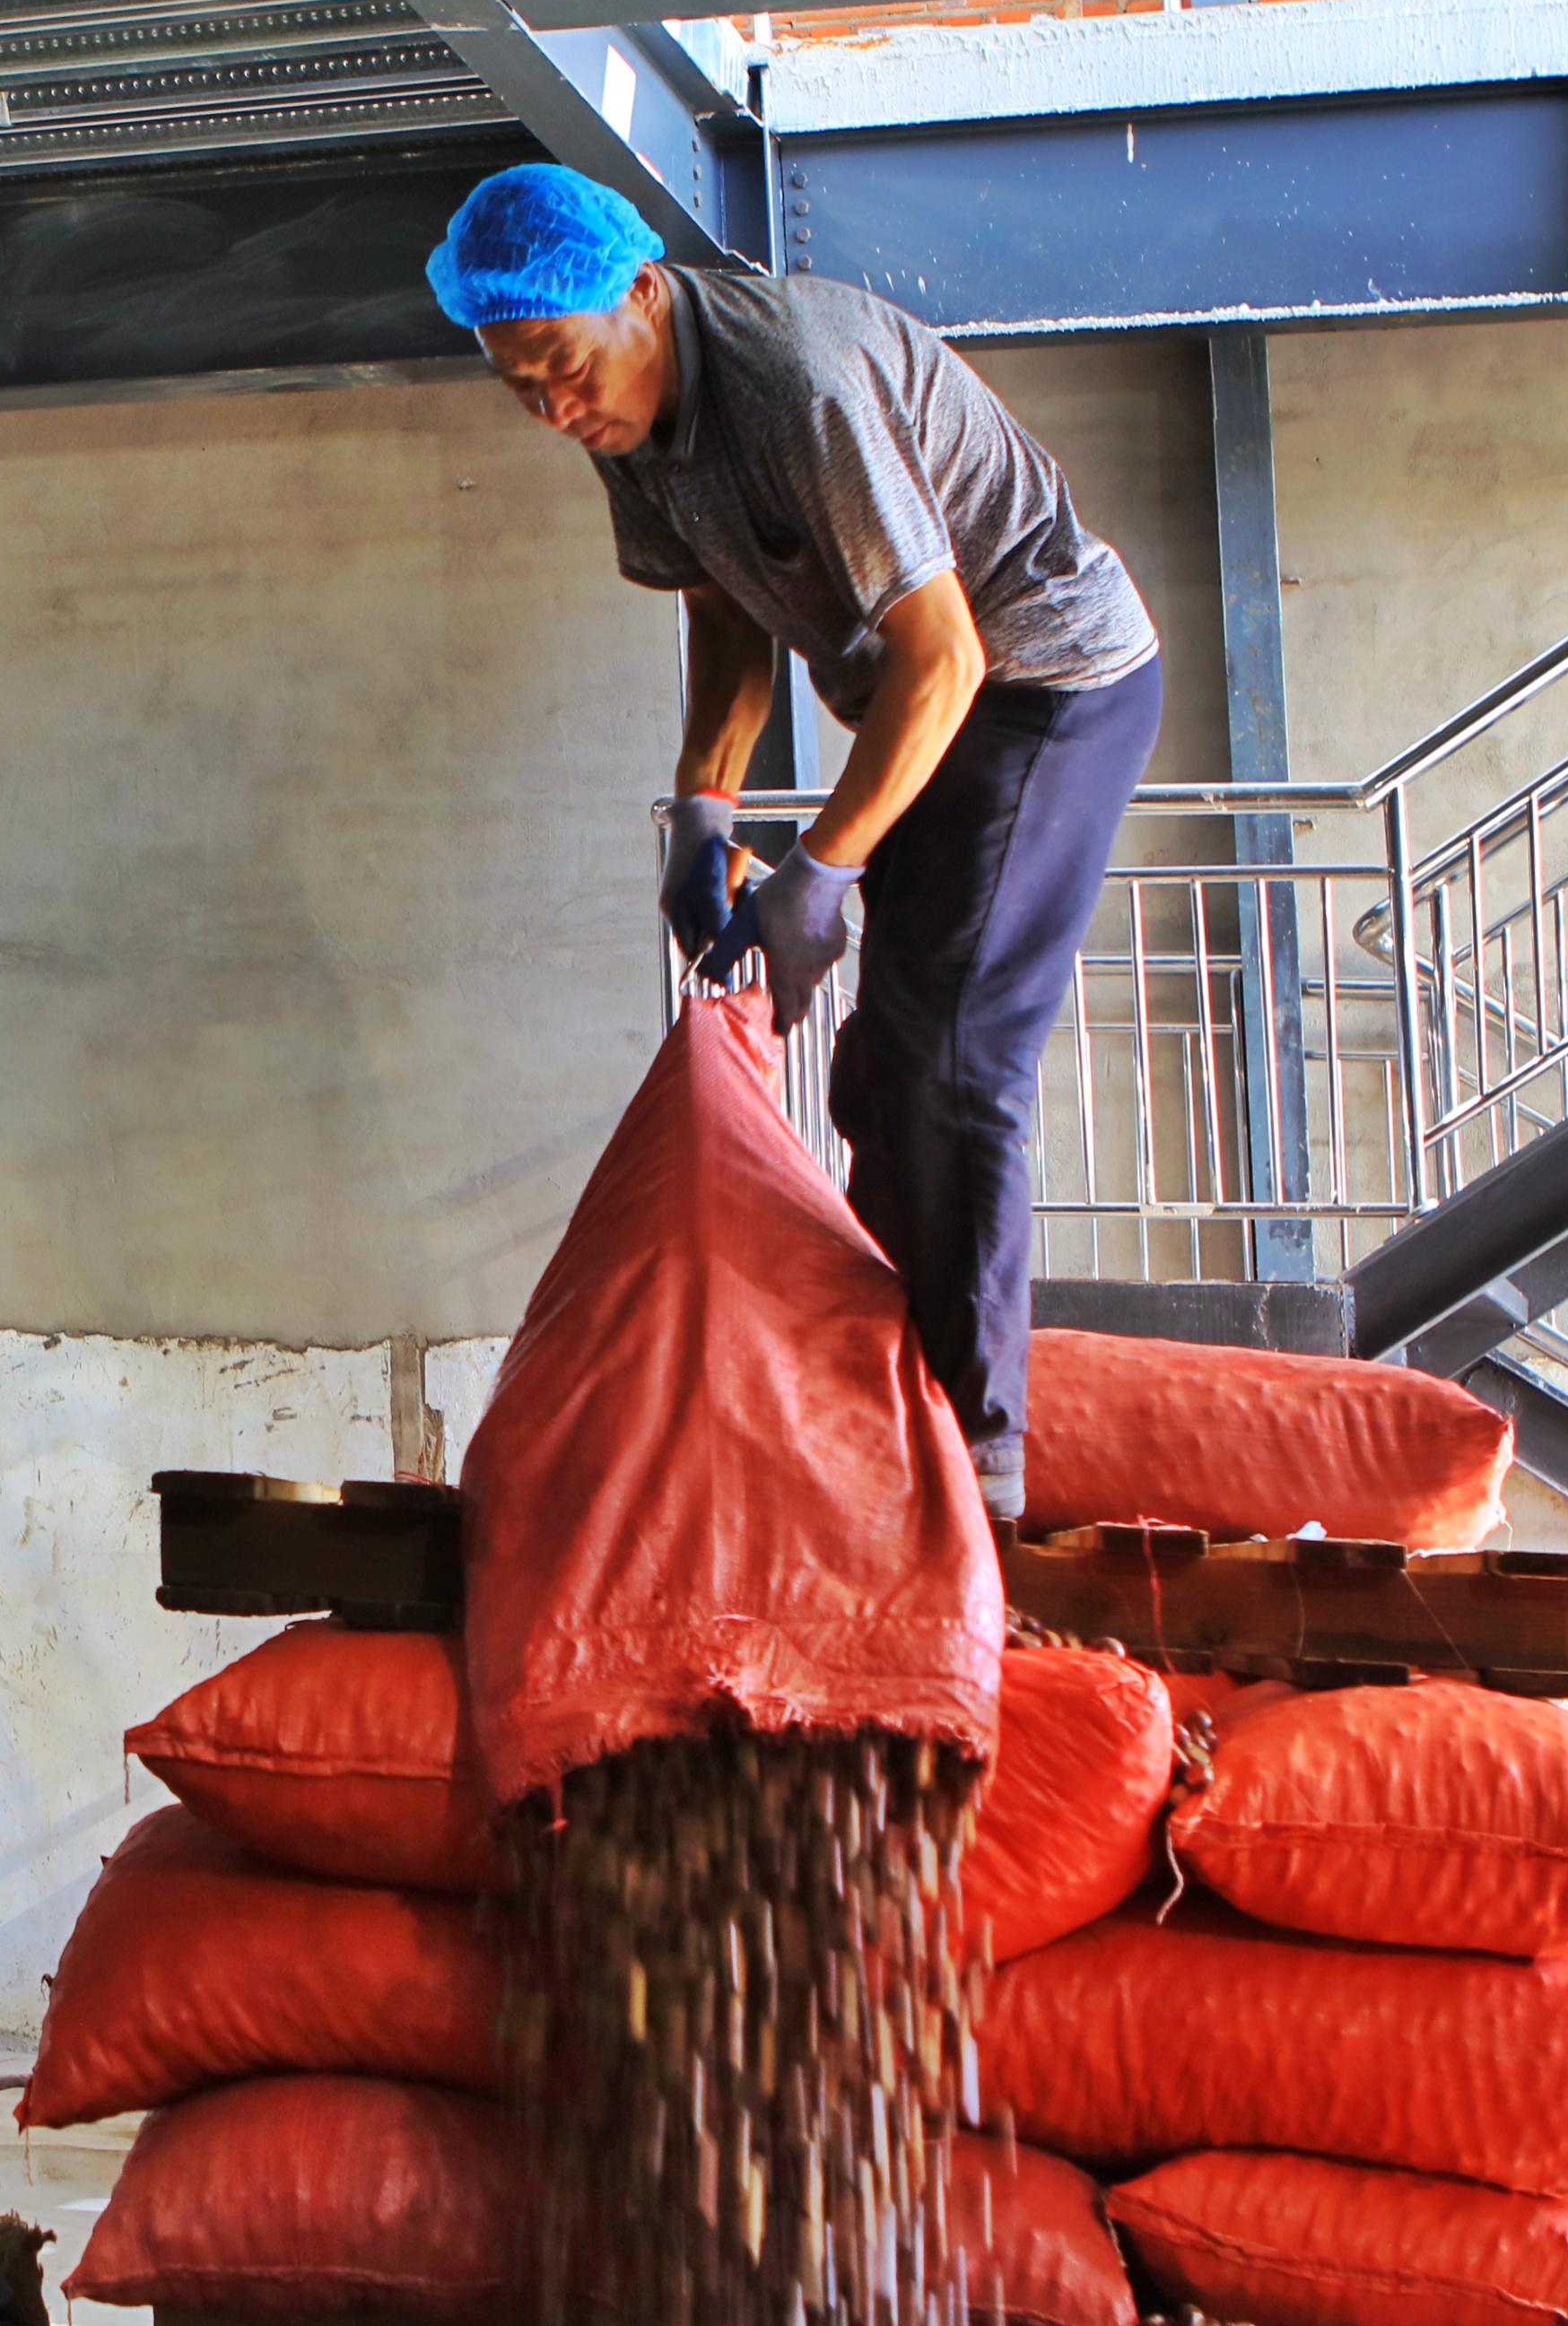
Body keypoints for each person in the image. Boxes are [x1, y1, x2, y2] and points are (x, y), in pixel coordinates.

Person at [431, 161, 1163, 1519]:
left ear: (641, 294)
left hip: (1045, 681)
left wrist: (822, 867)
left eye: (565, 368)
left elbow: (945, 654)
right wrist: (706, 804)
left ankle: (980, 1463)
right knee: (877, 1071)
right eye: (520, 386)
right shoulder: (630, 422)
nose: (554, 409)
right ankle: (893, 1404)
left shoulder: (795, 387)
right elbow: (722, 609)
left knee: (952, 1047)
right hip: (932, 699)